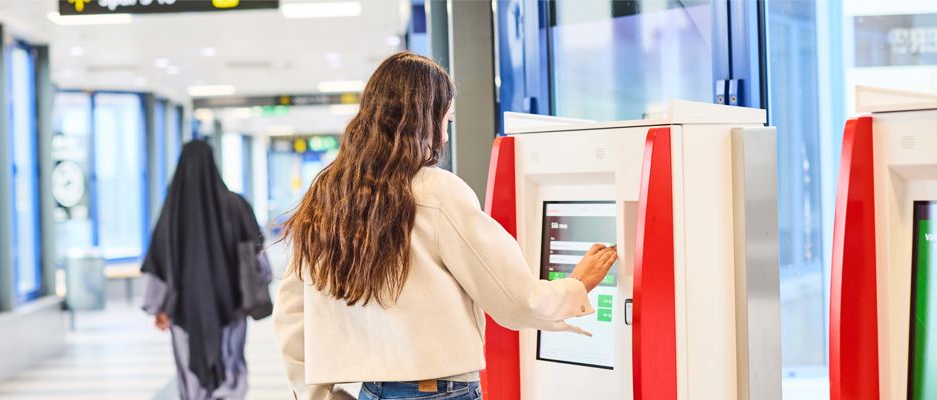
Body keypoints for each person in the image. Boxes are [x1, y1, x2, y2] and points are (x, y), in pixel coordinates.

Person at [274, 52, 618, 400]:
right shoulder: (437, 192)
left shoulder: (328, 195)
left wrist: (314, 394)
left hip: (370, 392)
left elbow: (292, 310)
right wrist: (576, 286)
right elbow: (515, 299)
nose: (446, 137)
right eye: (446, 121)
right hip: (439, 391)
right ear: (425, 120)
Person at [142, 140, 266, 400]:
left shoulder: (172, 213)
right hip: (232, 307)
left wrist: (160, 307)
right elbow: (259, 260)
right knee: (231, 363)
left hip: (184, 311)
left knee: (190, 370)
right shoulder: (237, 205)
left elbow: (158, 263)